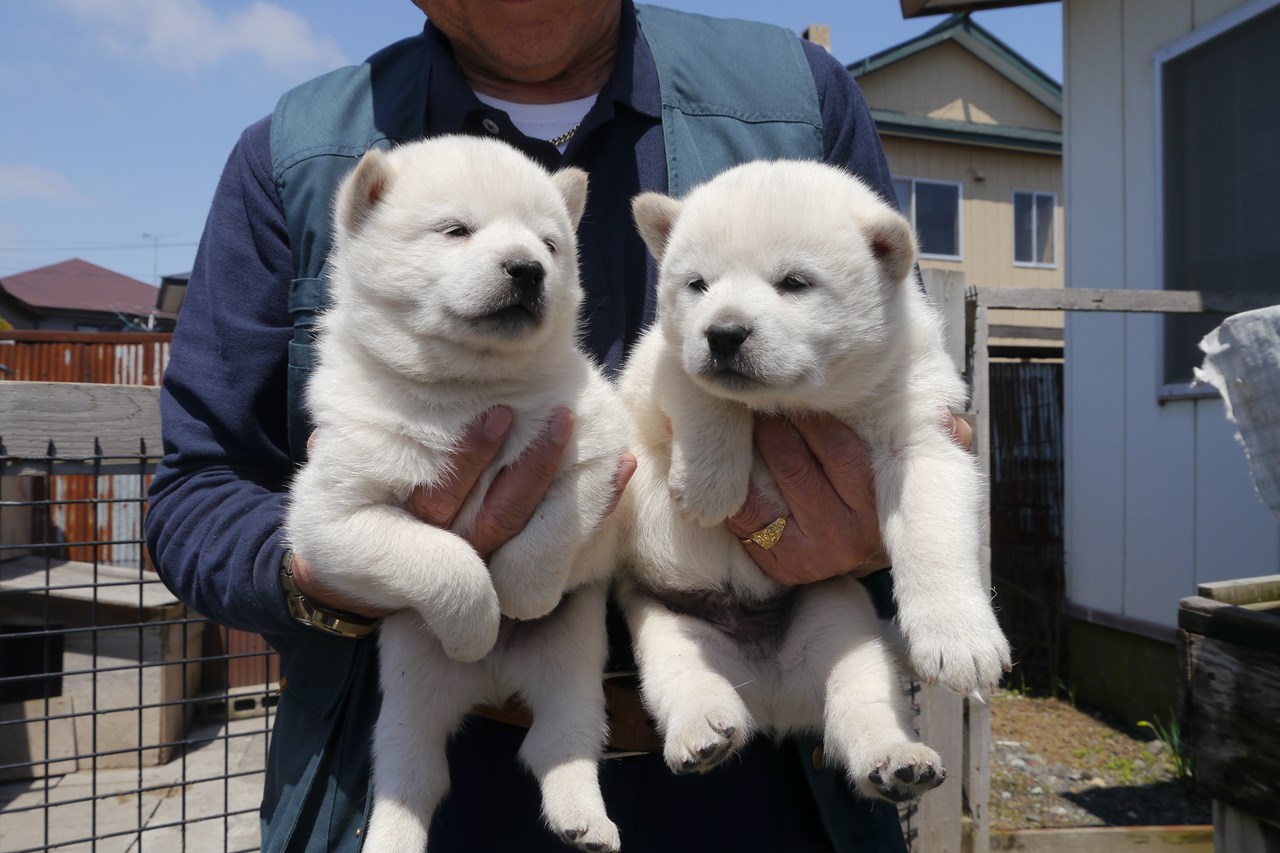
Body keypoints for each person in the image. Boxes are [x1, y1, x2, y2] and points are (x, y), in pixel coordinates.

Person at [146, 2, 969, 850]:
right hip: (413, 770)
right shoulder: (295, 156)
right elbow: (196, 491)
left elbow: (913, 388)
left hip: (775, 781)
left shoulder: (798, 100)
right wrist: (334, 570)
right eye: (455, 230)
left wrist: (871, 529)